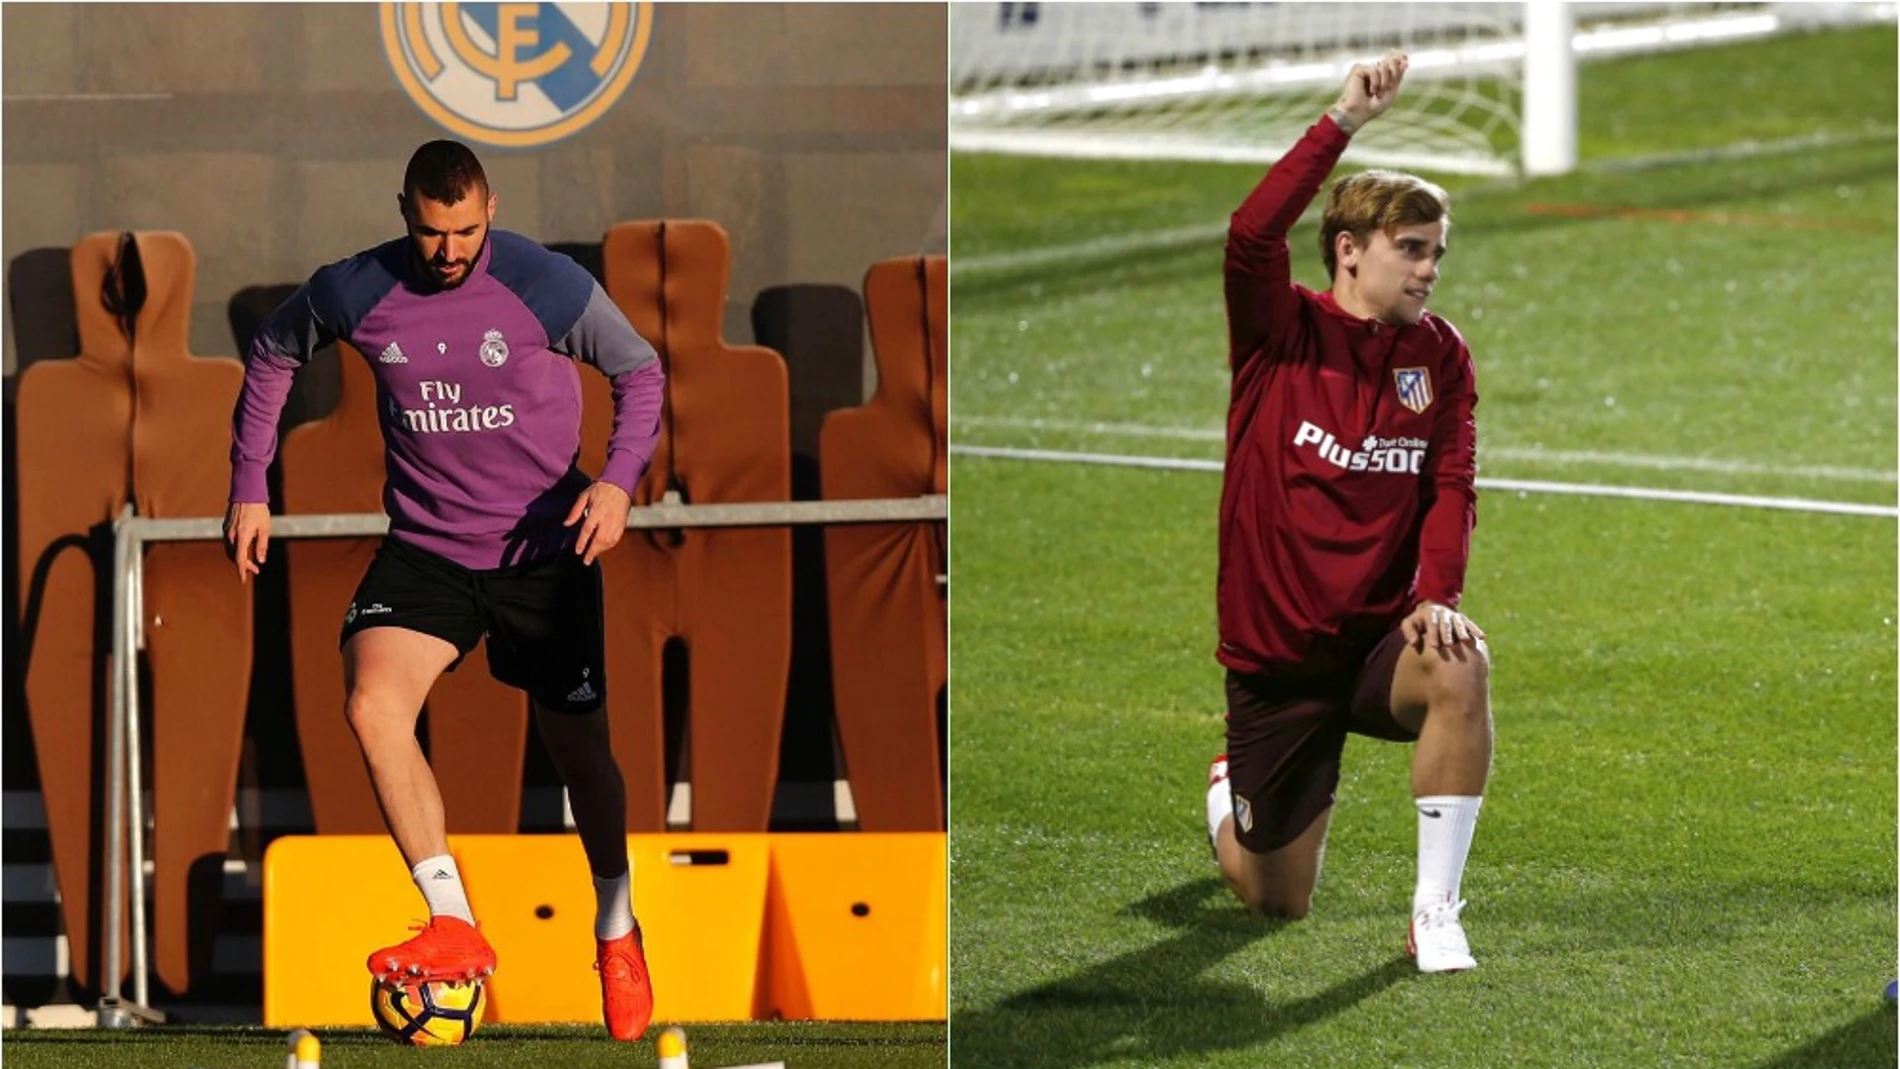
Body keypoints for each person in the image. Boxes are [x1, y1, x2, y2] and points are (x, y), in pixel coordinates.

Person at [225, 140, 663, 1038]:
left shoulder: (545, 285)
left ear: (491, 209)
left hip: (546, 548)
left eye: (465, 230)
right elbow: (272, 354)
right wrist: (248, 484)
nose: (449, 250)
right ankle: (453, 920)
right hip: (426, 551)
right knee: (372, 705)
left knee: (581, 753)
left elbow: (641, 371)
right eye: (432, 232)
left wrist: (618, 480)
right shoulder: (359, 288)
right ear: (404, 213)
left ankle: (617, 921)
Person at [1203, 50, 1492, 974]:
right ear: (1350, 250)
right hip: (1277, 659)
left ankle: (1435, 913)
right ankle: (1227, 793)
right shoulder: (1279, 332)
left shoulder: (1440, 357)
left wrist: (1436, 592)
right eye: (1412, 250)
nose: (1429, 270)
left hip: (1376, 644)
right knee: (1273, 899)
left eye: (1436, 252)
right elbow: (1251, 235)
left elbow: (1452, 483)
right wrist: (1343, 122)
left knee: (1460, 661)